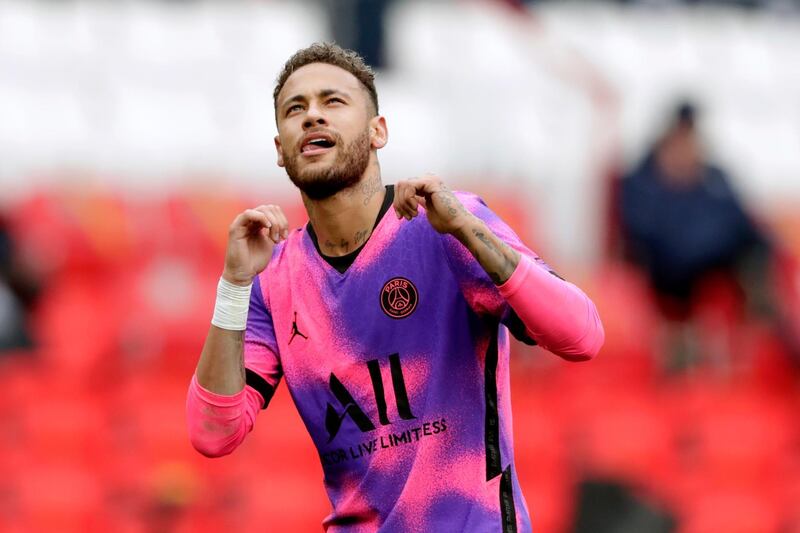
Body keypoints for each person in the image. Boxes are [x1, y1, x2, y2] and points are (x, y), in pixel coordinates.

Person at [186, 43, 604, 532]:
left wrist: (468, 231)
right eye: (294, 109)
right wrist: (235, 283)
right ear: (280, 149)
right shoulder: (273, 280)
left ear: (377, 131)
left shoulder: (445, 228)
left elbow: (582, 336)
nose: (312, 116)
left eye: (333, 102)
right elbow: (213, 434)